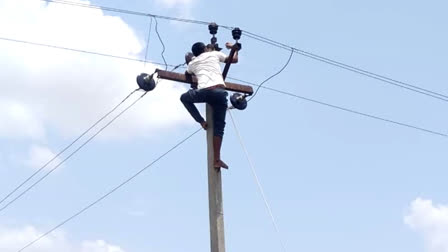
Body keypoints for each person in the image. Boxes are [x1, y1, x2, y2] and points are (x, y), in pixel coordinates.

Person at [180, 41, 238, 169]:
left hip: (204, 92)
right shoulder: (214, 54)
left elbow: (187, 73)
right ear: (205, 49)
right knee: (219, 127)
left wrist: (193, 69)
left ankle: (201, 121)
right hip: (220, 92)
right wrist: (234, 49)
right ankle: (217, 159)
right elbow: (234, 59)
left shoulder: (192, 63)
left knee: (184, 98)